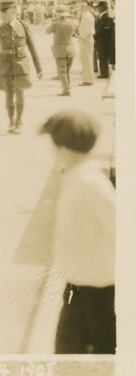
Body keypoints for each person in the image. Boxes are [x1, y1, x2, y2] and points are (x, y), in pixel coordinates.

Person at [39, 110, 115, 354]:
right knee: (68, 350)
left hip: (98, 286)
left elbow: (119, 224)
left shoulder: (89, 182)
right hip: (80, 282)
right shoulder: (77, 175)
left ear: (61, 146)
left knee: (97, 352)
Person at [0, 0, 42, 134]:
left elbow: (32, 46)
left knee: (19, 92)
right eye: (0, 13)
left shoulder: (23, 25)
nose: (1, 15)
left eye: (3, 13)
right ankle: (11, 121)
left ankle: (19, 121)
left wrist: (39, 67)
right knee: (8, 93)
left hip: (20, 64)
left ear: (11, 12)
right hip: (5, 65)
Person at [47, 7, 78, 96]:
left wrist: (53, 22)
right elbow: (76, 32)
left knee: (62, 71)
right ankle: (68, 87)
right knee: (67, 71)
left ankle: (66, 90)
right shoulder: (72, 23)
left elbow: (47, 31)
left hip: (60, 50)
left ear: (57, 15)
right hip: (70, 49)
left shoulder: (56, 24)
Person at [94, 1, 115, 79]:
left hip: (103, 41)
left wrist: (95, 36)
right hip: (102, 41)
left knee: (103, 58)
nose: (97, 8)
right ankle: (104, 73)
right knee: (102, 57)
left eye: (99, 7)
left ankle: (104, 74)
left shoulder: (106, 17)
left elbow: (102, 31)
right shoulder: (102, 16)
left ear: (102, 8)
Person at [78, 2, 96, 86]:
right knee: (85, 59)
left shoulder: (87, 16)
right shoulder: (86, 15)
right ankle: (87, 79)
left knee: (86, 60)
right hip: (86, 38)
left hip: (86, 39)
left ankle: (88, 80)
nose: (81, 7)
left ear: (88, 6)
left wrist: (80, 36)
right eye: (81, 5)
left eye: (83, 5)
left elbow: (88, 30)